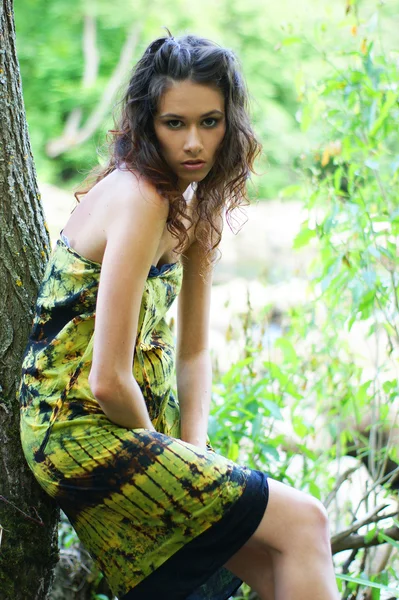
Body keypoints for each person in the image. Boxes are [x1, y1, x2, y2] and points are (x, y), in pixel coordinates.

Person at [18, 32, 339, 600]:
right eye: (174, 124)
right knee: (306, 522)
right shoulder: (140, 197)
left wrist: (194, 450)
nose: (194, 142)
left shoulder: (194, 210)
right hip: (80, 432)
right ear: (148, 123)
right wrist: (180, 477)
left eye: (210, 122)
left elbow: (192, 351)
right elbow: (108, 378)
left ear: (231, 126)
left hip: (130, 429)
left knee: (275, 568)